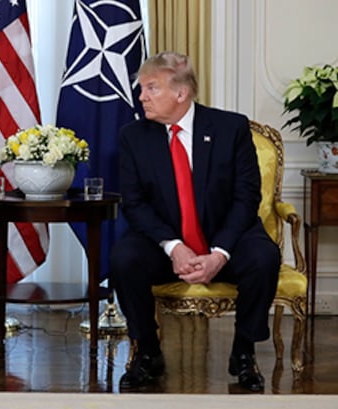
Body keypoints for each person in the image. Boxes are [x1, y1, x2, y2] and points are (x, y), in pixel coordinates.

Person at [110, 51, 280, 393]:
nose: (141, 96)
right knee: (124, 259)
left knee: (264, 258)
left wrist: (219, 253)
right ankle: (147, 351)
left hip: (226, 235)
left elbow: (247, 198)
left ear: (181, 93)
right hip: (165, 241)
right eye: (141, 89)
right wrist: (174, 247)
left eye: (150, 88)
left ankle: (243, 352)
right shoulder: (133, 136)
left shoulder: (231, 128)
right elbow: (135, 204)